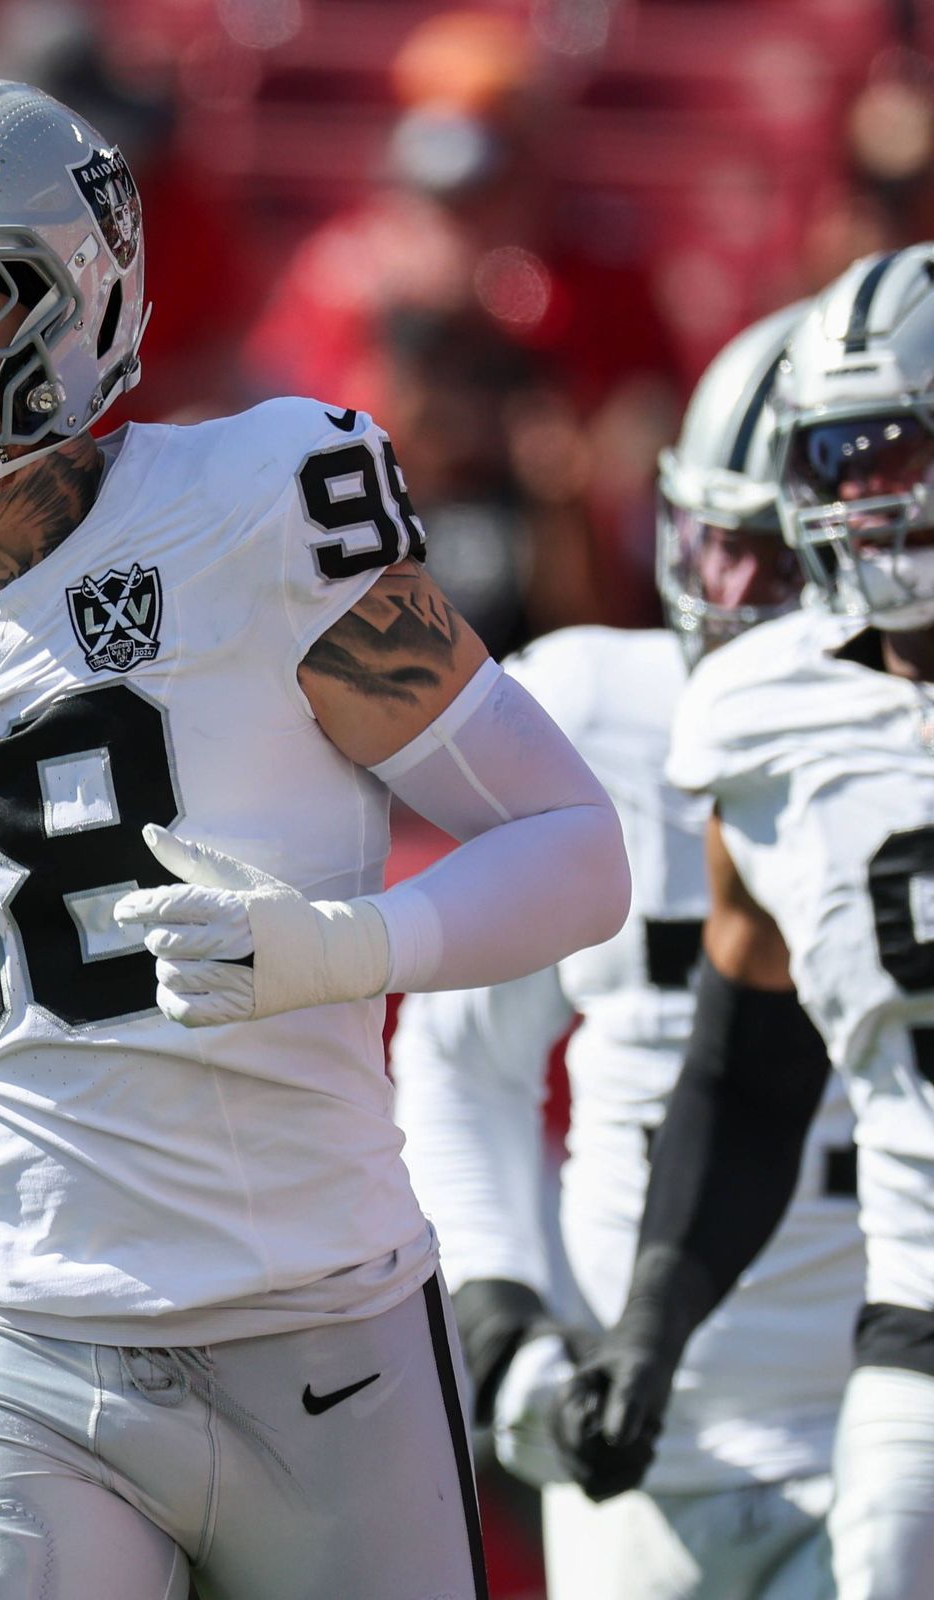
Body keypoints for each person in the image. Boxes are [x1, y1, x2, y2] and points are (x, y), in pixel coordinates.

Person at [0, 79, 630, 1600]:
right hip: (5, 1344)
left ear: (73, 307)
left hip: (323, 1338)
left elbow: (572, 844)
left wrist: (350, 951)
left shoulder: (256, 515)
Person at [391, 301, 866, 1599]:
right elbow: (460, 1061)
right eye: (726, 554)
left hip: (893, 1420)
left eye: (797, 565)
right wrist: (502, 1313)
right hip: (637, 1433)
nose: (744, 609)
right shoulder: (595, 709)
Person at [548, 244, 934, 1599]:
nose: (863, 503)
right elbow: (750, 1073)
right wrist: (654, 1324)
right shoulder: (767, 714)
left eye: (897, 452)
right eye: (840, 460)